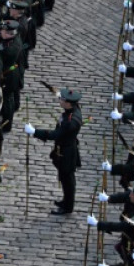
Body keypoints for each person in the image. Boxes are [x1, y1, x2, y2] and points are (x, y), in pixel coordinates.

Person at [25, 87, 82, 215]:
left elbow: (55, 134)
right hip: (63, 148)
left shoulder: (70, 121)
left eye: (62, 99)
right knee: (64, 178)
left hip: (67, 152)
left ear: (68, 103)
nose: (59, 100)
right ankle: (66, 201)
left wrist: (35, 132)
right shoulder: (72, 110)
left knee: (68, 181)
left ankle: (68, 207)